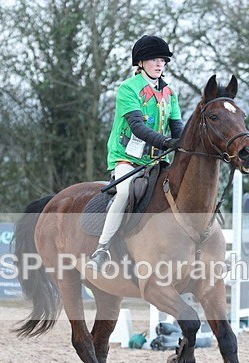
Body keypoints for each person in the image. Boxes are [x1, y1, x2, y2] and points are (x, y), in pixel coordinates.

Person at [87, 35, 184, 272]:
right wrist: (166, 142)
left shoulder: (170, 93)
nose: (159, 64)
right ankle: (102, 248)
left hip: (158, 159)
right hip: (127, 158)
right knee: (124, 191)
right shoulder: (128, 89)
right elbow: (138, 128)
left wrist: (182, 143)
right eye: (153, 59)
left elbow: (177, 125)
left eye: (163, 60)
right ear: (140, 63)